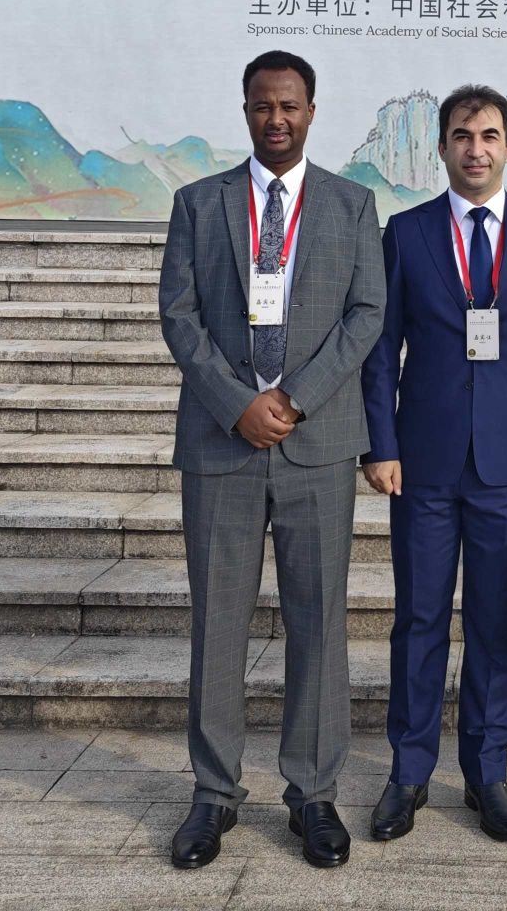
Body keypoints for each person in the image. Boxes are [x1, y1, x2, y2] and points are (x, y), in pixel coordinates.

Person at [157, 50, 385, 870]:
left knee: (318, 621)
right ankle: (213, 793)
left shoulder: (353, 205)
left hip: (316, 444)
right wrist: (238, 403)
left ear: (312, 111)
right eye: (263, 106)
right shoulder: (199, 203)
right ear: (246, 110)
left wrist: (296, 398)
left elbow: (367, 313)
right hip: (222, 444)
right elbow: (179, 315)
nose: (276, 119)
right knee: (218, 621)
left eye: (290, 106)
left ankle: (313, 793)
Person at [360, 85, 507, 843]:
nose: (475, 149)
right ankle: (408, 771)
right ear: (442, 148)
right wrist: (380, 443)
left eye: (488, 136)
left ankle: (487, 772)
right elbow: (382, 349)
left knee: (494, 624)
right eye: (461, 135)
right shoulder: (407, 233)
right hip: (422, 461)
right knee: (418, 619)